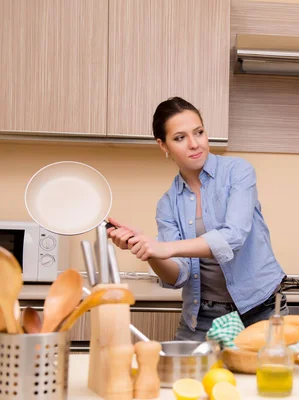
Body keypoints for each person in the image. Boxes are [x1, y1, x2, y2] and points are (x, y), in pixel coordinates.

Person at [107, 97, 287, 341]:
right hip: (203, 316)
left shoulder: (238, 172)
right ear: (163, 146)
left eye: (199, 132)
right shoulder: (168, 204)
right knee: (182, 378)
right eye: (180, 138)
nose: (194, 144)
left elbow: (234, 236)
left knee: (267, 378)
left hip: (261, 311)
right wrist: (149, 251)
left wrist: (164, 247)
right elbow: (177, 275)